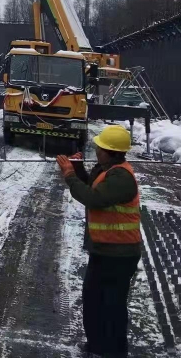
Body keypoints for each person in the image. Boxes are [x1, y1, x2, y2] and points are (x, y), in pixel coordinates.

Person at [56, 125, 141, 358]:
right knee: (94, 303)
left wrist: (69, 175)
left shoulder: (121, 177)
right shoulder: (108, 169)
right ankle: (97, 346)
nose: (96, 149)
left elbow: (93, 198)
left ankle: (113, 351)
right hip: (104, 250)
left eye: (99, 147)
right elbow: (92, 186)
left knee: (111, 307)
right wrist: (77, 167)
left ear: (110, 151)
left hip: (119, 255)